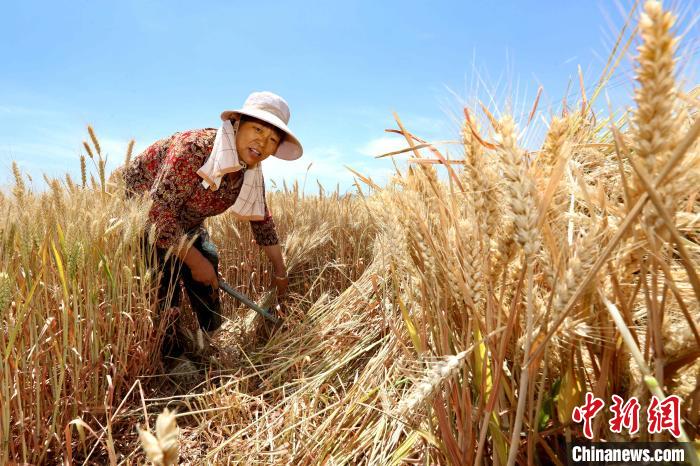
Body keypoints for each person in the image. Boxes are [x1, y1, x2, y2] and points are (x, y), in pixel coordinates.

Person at [122, 91, 302, 361]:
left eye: (272, 139)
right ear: (237, 124)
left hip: (186, 224)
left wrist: (280, 272)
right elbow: (156, 213)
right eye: (257, 129)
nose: (262, 142)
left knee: (208, 267)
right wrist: (194, 262)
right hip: (140, 220)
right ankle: (172, 362)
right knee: (163, 284)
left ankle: (213, 344)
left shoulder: (249, 173)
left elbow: (262, 221)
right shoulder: (194, 149)